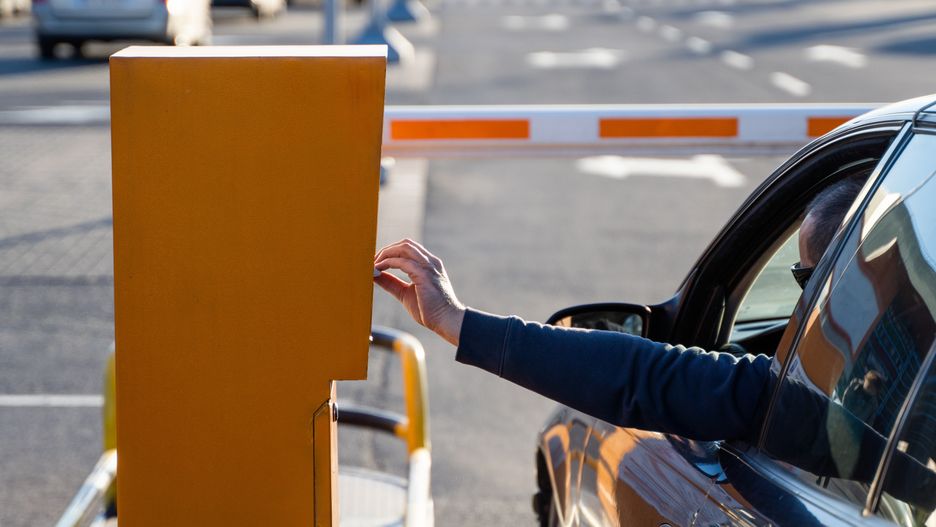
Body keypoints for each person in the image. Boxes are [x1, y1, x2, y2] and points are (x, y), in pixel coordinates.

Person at [372, 178, 865, 443]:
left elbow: (640, 378)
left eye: (809, 279)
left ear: (862, 279)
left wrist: (457, 322)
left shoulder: (831, 405)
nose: (805, 300)